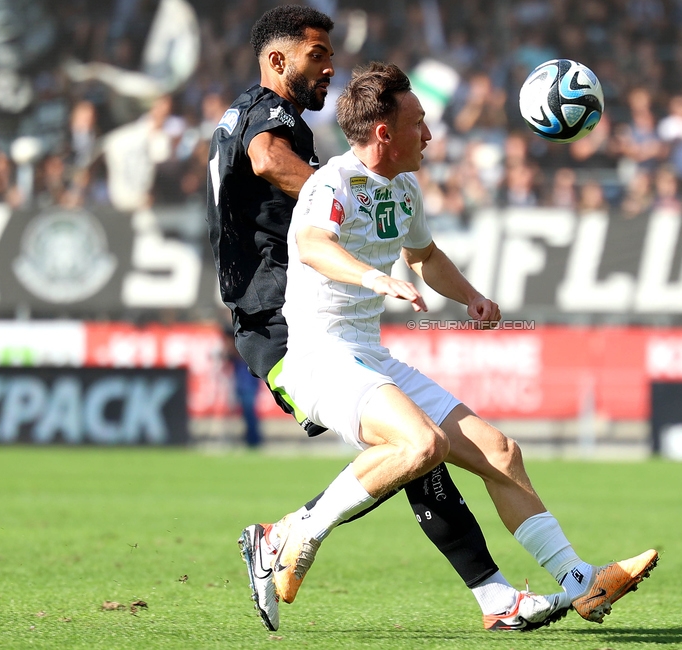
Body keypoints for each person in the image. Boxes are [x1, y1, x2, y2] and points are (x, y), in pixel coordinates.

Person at [206, 5, 565, 634]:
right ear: (277, 60)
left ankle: (496, 597)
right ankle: (286, 536)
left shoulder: (244, 115)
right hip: (282, 323)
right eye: (316, 55)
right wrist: (337, 193)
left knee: (416, 451)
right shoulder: (271, 118)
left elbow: (420, 252)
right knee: (413, 447)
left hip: (287, 315)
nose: (328, 66)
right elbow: (267, 160)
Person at [267, 60, 658, 627]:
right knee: (421, 446)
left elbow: (425, 257)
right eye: (419, 122)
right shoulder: (332, 184)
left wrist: (470, 296)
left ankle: (580, 582)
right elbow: (312, 245)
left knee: (501, 453)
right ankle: (297, 532)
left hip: (367, 353)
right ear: (384, 132)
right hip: (318, 355)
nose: (429, 133)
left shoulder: (402, 188)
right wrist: (373, 277)